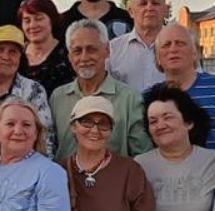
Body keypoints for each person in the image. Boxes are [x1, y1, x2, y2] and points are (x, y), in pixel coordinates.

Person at [49, 19, 151, 160]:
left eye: (92, 49)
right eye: (77, 51)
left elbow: (143, 156)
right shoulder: (58, 98)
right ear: (69, 56)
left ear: (107, 50)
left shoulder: (130, 99)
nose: (84, 57)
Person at [153, 23, 215, 152]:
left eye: (180, 43)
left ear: (195, 53)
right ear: (158, 57)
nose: (173, 49)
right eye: (166, 45)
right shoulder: (151, 99)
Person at [0, 25, 54, 155]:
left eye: (13, 52)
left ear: (21, 58)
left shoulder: (33, 90)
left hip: (21, 164)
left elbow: (45, 138)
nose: (5, 57)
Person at [107, 0, 168, 91]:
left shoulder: (181, 47)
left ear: (165, 10)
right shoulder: (113, 49)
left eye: (155, 3)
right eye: (143, 4)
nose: (149, 8)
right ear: (131, 11)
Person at [18, 0, 75, 96]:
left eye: (39, 19)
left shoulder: (69, 55)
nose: (32, 25)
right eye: (27, 21)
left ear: (52, 20)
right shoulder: (16, 54)